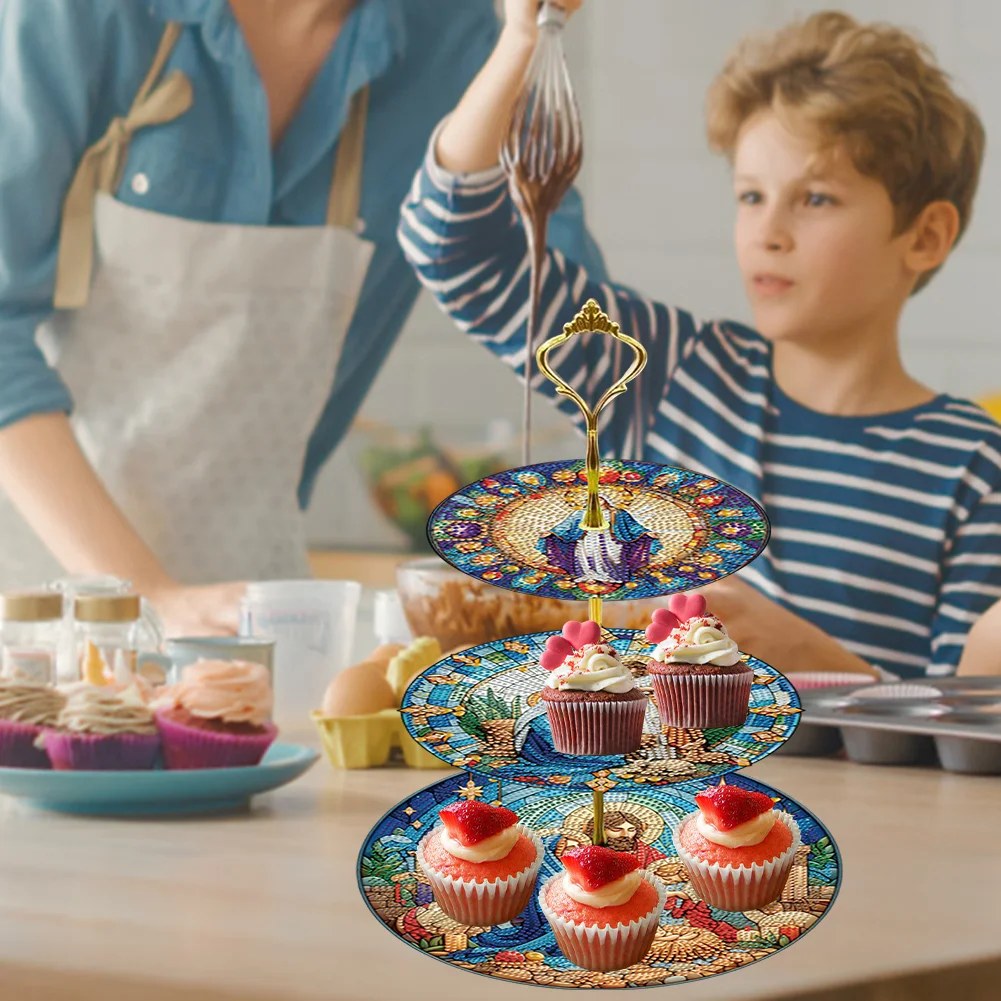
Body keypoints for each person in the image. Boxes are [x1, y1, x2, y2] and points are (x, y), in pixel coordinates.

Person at [399, 3, 1001, 680]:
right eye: (750, 196)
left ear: (924, 236)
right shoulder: (670, 373)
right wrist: (515, 40)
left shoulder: (973, 469)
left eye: (816, 199)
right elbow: (453, 250)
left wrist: (806, 657)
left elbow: (962, 736)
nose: (767, 232)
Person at [0, 0, 606, 637]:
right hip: (31, 605)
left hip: (254, 613)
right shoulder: (79, 15)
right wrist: (152, 594)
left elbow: (581, 333)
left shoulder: (463, 44)